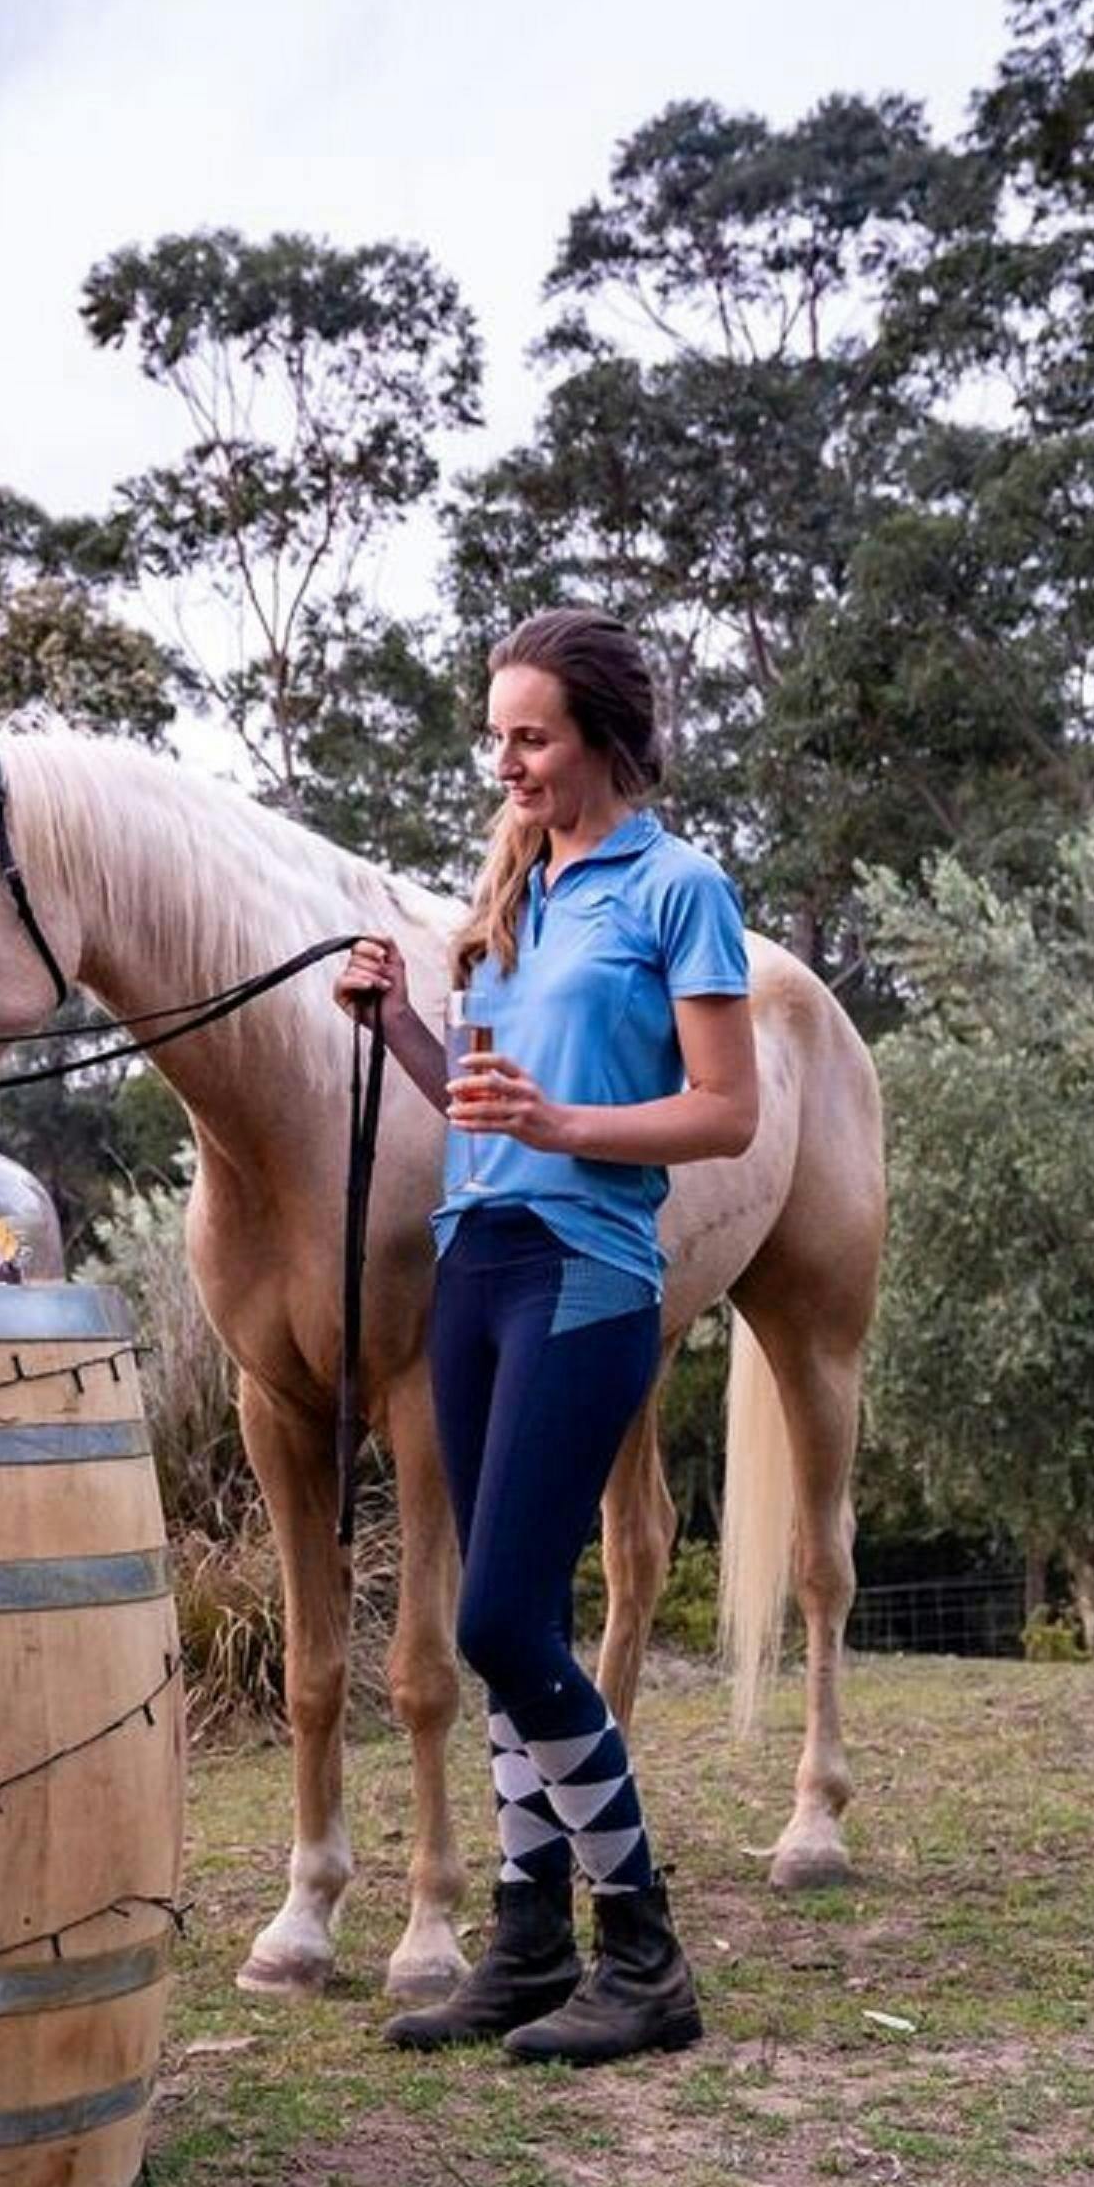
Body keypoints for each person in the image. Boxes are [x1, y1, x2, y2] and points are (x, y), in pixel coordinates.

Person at [331, 608, 758, 2066]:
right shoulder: (516, 880)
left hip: (588, 1270)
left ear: (601, 740)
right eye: (495, 734)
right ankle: (528, 1940)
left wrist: (568, 1125)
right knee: (508, 1618)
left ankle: (643, 1947)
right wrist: (396, 1025)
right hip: (477, 1260)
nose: (502, 760)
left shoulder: (679, 887)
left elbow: (725, 1109)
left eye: (531, 735)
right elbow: (481, 1099)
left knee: (501, 1618)